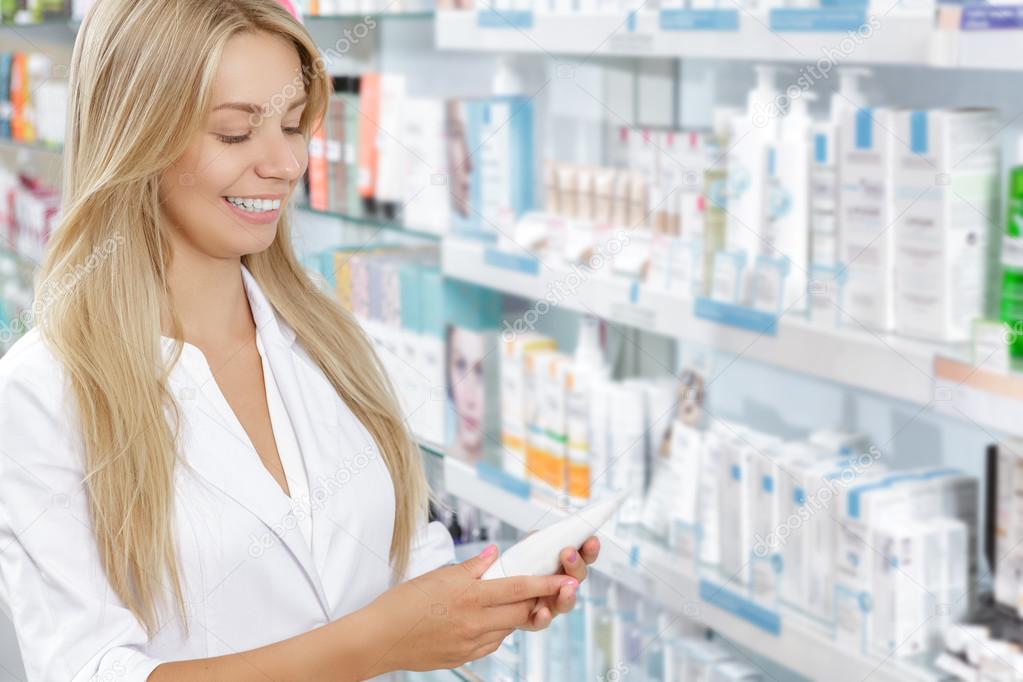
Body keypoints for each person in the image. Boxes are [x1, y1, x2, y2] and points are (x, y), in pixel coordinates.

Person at [0, 1, 600, 680]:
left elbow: (401, 560)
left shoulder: (327, 337)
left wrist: (490, 596)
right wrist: (378, 642)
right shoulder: (45, 390)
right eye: (234, 134)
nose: (286, 164)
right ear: (132, 135)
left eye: (293, 127)